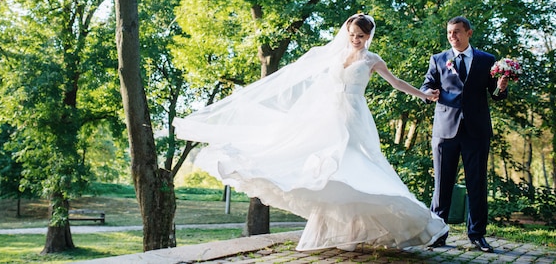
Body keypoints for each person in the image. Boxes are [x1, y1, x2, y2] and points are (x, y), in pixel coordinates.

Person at [174, 13, 448, 252]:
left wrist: (423, 94)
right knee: (322, 169)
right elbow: (305, 78)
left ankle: (360, 230)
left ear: (368, 36)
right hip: (327, 116)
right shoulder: (333, 55)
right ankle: (335, 231)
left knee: (354, 167)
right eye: (352, 34)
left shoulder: (372, 60)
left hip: (354, 117)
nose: (355, 39)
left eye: (360, 36)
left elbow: (396, 82)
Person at [420, 16, 508, 253]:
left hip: (476, 131)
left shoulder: (487, 60)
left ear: (469, 33)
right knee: (442, 185)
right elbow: (426, 85)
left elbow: (496, 94)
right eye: (449, 32)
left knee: (477, 184)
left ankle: (477, 235)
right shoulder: (438, 59)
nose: (452, 36)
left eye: (457, 32)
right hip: (444, 131)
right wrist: (429, 92)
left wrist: (500, 88)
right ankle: (438, 233)